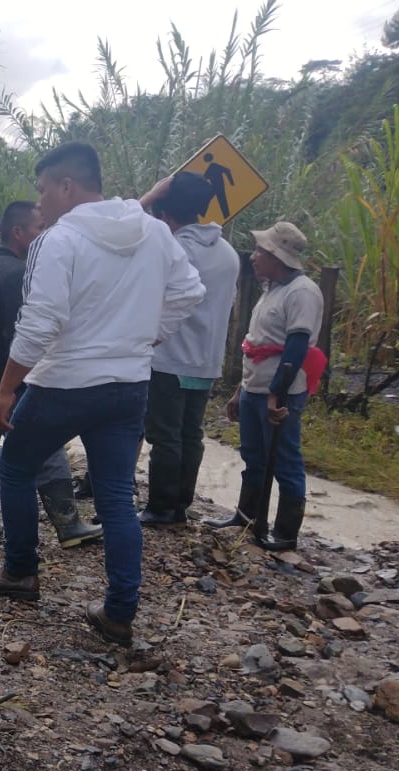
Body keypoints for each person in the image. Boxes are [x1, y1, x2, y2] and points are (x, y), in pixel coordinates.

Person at [0, 143, 204, 647]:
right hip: (127, 386)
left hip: (65, 384)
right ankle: (119, 610)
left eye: (42, 191)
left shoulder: (58, 241)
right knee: (117, 495)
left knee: (15, 466)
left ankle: (21, 572)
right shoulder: (154, 232)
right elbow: (189, 292)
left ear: (65, 186)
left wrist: (6, 390)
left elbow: (39, 323)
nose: (40, 204)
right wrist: (147, 338)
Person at [0, 202, 102, 549]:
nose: (44, 235)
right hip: (1, 384)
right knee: (47, 448)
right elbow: (21, 335)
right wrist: (17, 385)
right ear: (18, 233)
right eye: (38, 228)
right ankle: (68, 524)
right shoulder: (19, 275)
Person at [206, 222, 326, 552]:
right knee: (254, 456)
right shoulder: (271, 288)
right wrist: (240, 390)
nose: (254, 256)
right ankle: (247, 516)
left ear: (276, 256)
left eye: (260, 251)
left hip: (280, 390)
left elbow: (296, 346)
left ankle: (286, 532)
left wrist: (278, 392)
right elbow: (256, 344)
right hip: (254, 389)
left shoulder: (301, 292)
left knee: (285, 459)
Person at [137, 173, 241, 526]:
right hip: (206, 361)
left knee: (164, 436)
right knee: (190, 434)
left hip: (169, 358)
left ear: (165, 215)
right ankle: (180, 504)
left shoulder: (173, 249)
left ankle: (161, 508)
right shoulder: (227, 253)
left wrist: (147, 197)